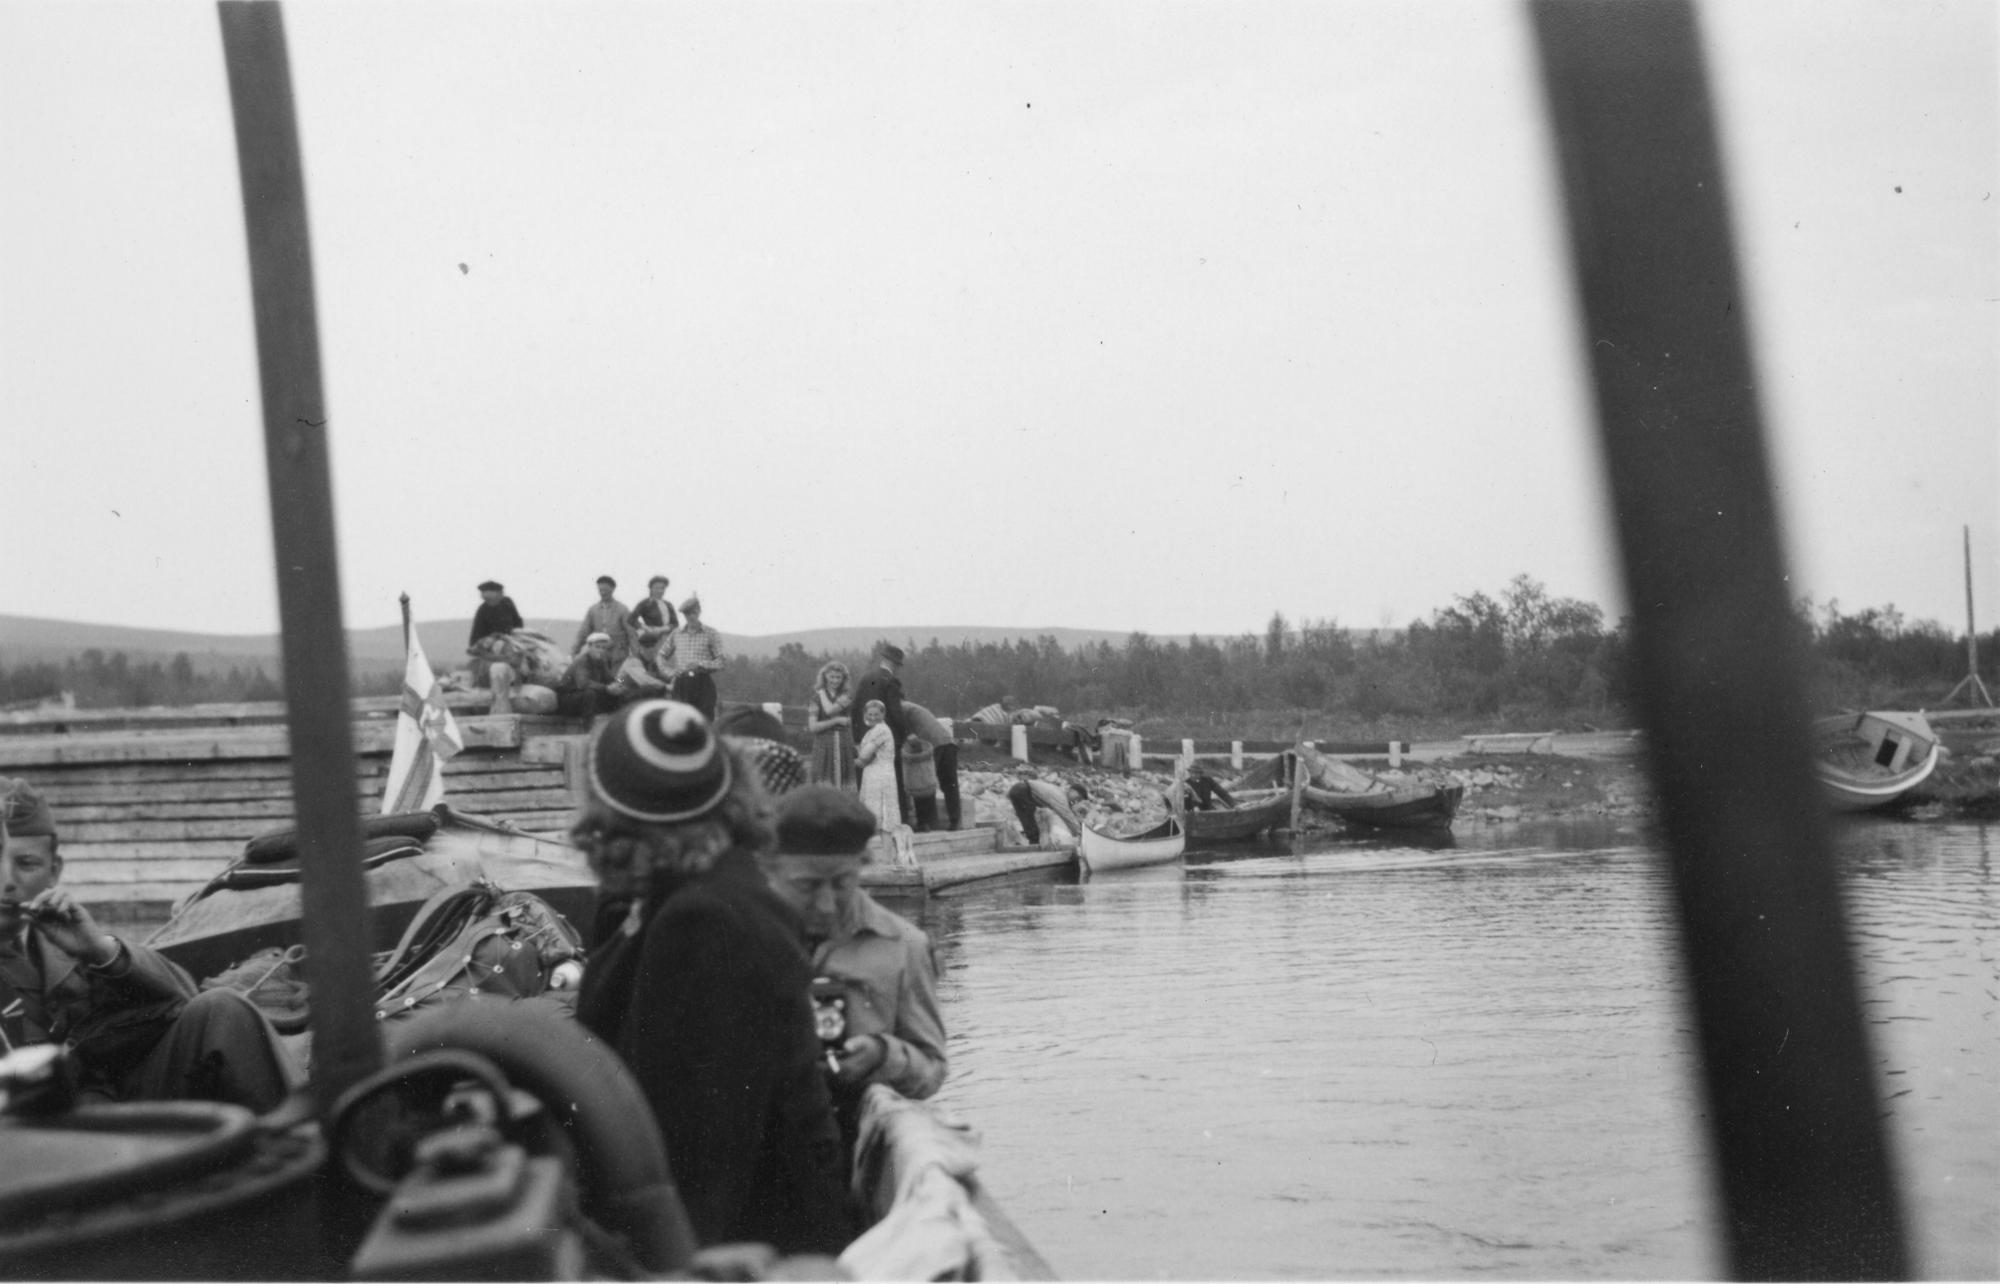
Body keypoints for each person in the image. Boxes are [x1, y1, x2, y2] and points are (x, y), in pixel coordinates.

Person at [571, 702, 852, 1255]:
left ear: (613, 815)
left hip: (752, 1252)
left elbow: (700, 1158)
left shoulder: (702, 923)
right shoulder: (698, 892)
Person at [0, 779, 291, 1112]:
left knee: (221, 1009)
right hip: (31, 1128)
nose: (7, 881)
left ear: (54, 871)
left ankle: (295, 1140)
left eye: (26, 864)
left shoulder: (66, 945)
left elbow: (184, 998)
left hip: (106, 1111)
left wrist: (102, 951)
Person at [759, 786, 947, 1155]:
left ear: (862, 866)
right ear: (768, 868)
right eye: (807, 886)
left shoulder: (904, 946)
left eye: (843, 883)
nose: (826, 905)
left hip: (847, 1148)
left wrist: (881, 1055)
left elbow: (932, 1069)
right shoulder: (734, 936)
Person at [848, 644, 909, 821]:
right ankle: (898, 820)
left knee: (867, 781)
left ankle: (868, 819)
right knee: (893, 780)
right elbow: (896, 712)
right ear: (894, 664)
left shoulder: (865, 678)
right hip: (886, 739)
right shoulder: (891, 681)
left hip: (865, 737)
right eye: (897, 665)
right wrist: (906, 734)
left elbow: (855, 709)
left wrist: (857, 737)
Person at [655, 596, 727, 722]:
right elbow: (660, 655)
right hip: (681, 683)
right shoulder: (676, 633)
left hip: (702, 683)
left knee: (704, 721)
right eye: (687, 614)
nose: (690, 617)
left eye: (693, 613)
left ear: (699, 611)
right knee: (680, 722)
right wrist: (669, 672)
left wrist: (701, 665)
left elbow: (721, 662)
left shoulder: (711, 633)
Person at [902, 702, 961, 830]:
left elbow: (906, 736)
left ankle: (926, 823)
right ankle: (955, 821)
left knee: (922, 781)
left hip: (931, 743)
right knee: (950, 784)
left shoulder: (899, 709)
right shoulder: (912, 707)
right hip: (948, 741)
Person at [853, 700, 899, 838]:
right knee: (880, 818)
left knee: (880, 816)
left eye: (876, 714)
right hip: (874, 774)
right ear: (865, 714)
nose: (872, 717)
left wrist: (848, 760)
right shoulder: (872, 731)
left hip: (880, 776)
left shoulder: (880, 730)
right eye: (870, 714)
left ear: (883, 714)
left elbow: (863, 755)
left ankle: (884, 849)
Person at [805, 662, 855, 788]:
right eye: (832, 677)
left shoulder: (846, 696)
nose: (835, 680)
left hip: (843, 743)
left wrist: (821, 693)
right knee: (823, 782)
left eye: (839, 677)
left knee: (843, 782)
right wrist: (836, 721)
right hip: (823, 745)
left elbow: (829, 710)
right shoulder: (815, 698)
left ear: (844, 679)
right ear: (825, 676)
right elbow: (813, 727)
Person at [1006, 772, 1088, 845]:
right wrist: (1081, 832)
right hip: (1022, 790)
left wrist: (1076, 816)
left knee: (1029, 818)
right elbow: (1067, 816)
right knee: (1029, 817)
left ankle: (1034, 842)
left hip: (1019, 789)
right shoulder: (1061, 798)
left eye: (1079, 800)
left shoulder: (1060, 792)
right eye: (1078, 797)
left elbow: (1067, 811)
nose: (1076, 801)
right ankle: (1035, 844)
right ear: (1072, 790)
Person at [560, 632, 624, 717]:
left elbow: (610, 678)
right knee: (590, 694)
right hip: (569, 698)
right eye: (597, 647)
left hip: (583, 696)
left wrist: (620, 682)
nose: (600, 650)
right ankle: (587, 723)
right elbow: (583, 684)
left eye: (603, 648)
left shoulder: (601, 661)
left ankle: (614, 720)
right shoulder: (582, 661)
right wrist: (606, 688)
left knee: (617, 693)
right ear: (589, 647)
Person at [574, 576, 633, 664]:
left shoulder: (622, 610)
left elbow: (632, 634)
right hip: (598, 656)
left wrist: (636, 656)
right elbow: (583, 633)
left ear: (612, 589)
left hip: (618, 656)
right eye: (600, 590)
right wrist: (574, 652)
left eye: (606, 590)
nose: (603, 593)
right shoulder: (593, 610)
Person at [468, 580, 524, 656]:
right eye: (487, 599)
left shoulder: (507, 602)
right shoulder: (483, 610)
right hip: (492, 645)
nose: (489, 601)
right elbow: (476, 635)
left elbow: (517, 622)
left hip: (512, 640)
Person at [900, 735, 939, 832]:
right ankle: (930, 824)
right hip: (927, 782)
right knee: (927, 803)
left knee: (920, 804)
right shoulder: (926, 750)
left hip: (917, 784)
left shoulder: (910, 754)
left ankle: (923, 824)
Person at [627, 574, 680, 641]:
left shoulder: (669, 605)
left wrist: (661, 629)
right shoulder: (645, 603)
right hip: (652, 639)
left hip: (669, 637)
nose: (660, 591)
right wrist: (646, 628)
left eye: (662, 588)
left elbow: (675, 624)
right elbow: (631, 619)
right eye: (656, 588)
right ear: (651, 588)